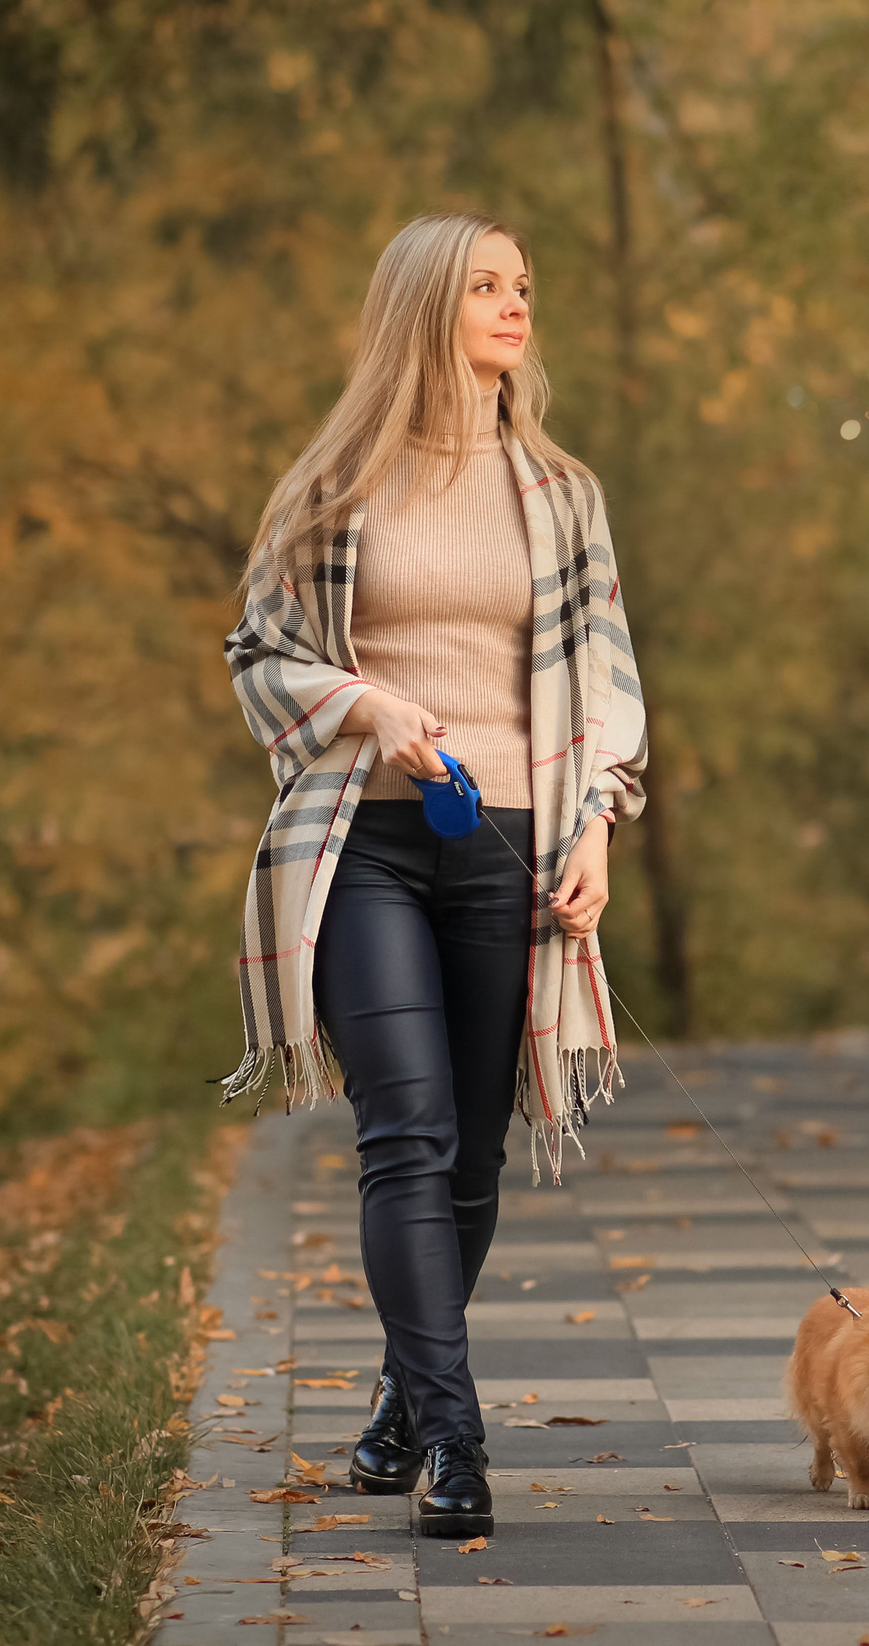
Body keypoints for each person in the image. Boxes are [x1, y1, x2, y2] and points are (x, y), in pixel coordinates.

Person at [219, 212, 649, 1537]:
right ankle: (458, 1442)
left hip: (510, 843)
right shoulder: (334, 487)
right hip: (361, 843)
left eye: (524, 286)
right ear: (423, 305)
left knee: (472, 1155)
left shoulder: (560, 492)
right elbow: (259, 655)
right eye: (487, 286)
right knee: (402, 1132)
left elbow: (612, 684)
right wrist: (364, 704)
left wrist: (597, 830)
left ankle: (407, 1399)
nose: (517, 306)